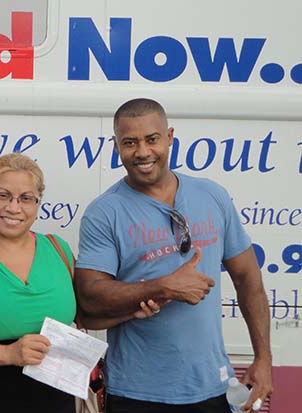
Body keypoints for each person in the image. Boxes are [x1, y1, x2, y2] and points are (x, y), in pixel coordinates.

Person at [74, 98, 273, 413]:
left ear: (169, 137)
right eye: (130, 142)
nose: (142, 152)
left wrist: (263, 358)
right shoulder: (104, 212)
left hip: (212, 386)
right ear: (116, 146)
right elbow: (89, 297)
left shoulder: (212, 195)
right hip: (137, 392)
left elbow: (248, 279)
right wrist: (163, 286)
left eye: (151, 139)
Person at [0, 153, 160, 413]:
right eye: (3, 196)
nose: (14, 208)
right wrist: (8, 354)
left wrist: (130, 311)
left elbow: (85, 317)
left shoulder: (58, 250)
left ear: (38, 204)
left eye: (26, 198)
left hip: (56, 403)